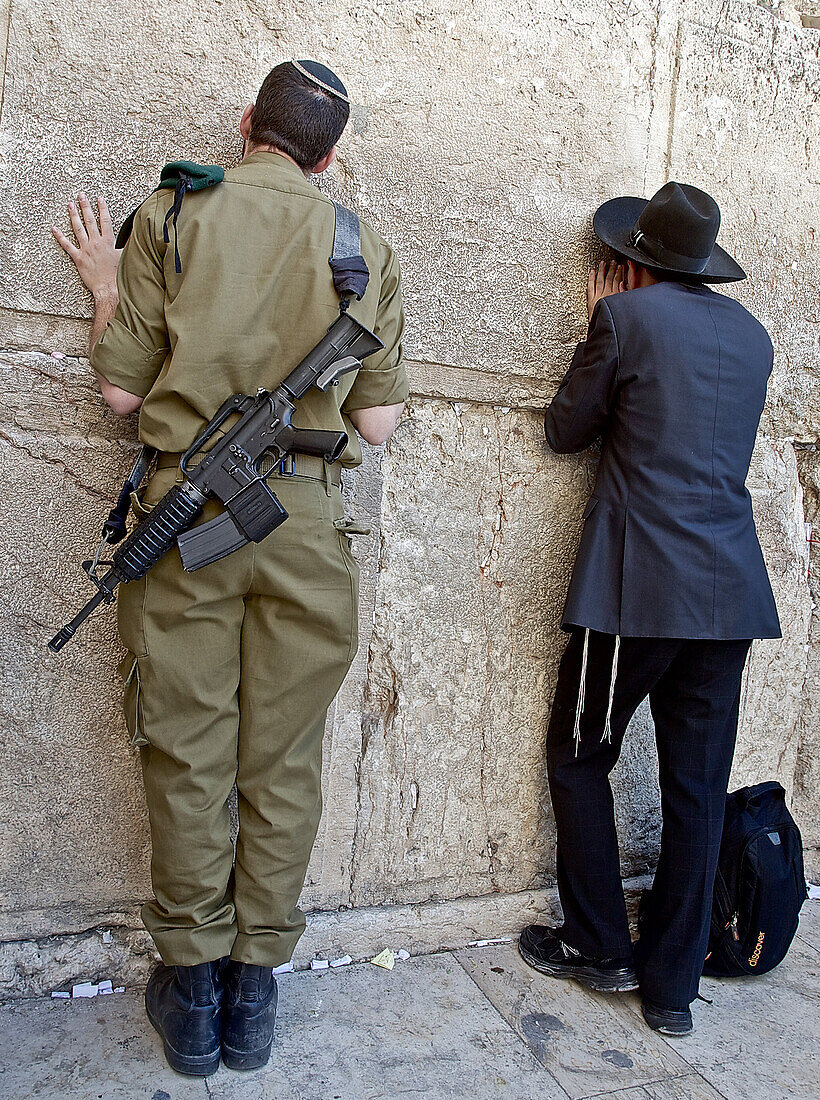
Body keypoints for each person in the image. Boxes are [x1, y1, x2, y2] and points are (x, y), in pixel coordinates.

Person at [52, 60, 407, 1075]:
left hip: (188, 509)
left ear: (246, 124)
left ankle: (195, 984)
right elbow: (375, 421)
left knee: (187, 747)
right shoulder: (363, 244)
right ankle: (255, 994)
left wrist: (110, 291)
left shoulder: (171, 214)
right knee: (282, 759)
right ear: (330, 156)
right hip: (307, 525)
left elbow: (123, 398)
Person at [518, 182, 780, 1036]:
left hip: (631, 593)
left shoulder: (625, 321)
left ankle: (600, 946)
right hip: (728, 596)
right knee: (697, 791)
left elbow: (567, 429)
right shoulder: (753, 337)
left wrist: (600, 326)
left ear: (631, 264)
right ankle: (671, 993)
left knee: (579, 752)